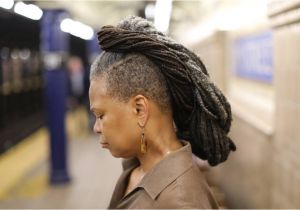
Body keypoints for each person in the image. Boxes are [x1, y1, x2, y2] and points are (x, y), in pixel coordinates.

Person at [89, 16, 236, 209]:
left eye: (101, 116)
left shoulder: (180, 203)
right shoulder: (137, 167)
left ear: (139, 109)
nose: (96, 128)